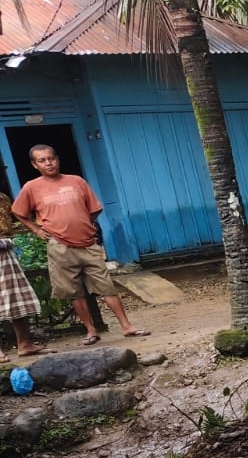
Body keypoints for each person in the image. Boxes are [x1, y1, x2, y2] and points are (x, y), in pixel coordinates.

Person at [11, 146, 147, 345]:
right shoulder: (32, 187)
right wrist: (36, 230)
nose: (48, 163)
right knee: (73, 291)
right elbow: (19, 212)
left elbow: (95, 209)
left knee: (106, 286)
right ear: (34, 165)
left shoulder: (76, 181)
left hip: (88, 244)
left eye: (51, 158)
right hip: (59, 246)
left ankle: (127, 326)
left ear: (57, 159)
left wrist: (83, 223)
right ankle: (91, 331)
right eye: (42, 160)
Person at [0, 192, 47, 360]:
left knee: (17, 299)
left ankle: (25, 344)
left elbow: (8, 227)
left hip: (5, 253)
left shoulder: (3, 199)